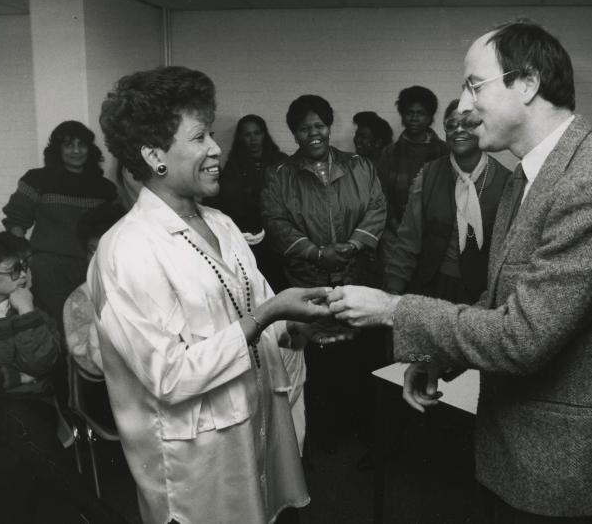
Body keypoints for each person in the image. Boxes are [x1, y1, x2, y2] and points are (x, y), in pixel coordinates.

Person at [328, 19, 592, 522]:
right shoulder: (529, 175)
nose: (463, 106)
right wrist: (439, 357)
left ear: (526, 83)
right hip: (512, 453)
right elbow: (504, 299)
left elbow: (523, 337)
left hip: (562, 471)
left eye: (473, 86)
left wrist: (393, 308)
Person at [95, 65, 332, 524]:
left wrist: (298, 325)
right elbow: (168, 376)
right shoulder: (127, 250)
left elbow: (259, 310)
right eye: (199, 136)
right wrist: (267, 315)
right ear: (154, 155)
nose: (216, 148)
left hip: (254, 437)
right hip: (196, 473)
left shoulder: (221, 224)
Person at [0, 231, 125, 524]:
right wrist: (15, 376)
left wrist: (26, 311)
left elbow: (42, 365)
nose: (24, 275)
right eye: (14, 270)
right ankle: (100, 514)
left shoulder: (35, 315)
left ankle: (100, 516)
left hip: (33, 415)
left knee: (15, 454)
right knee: (13, 422)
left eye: (24, 267)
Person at [261, 94, 386, 452]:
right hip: (307, 282)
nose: (313, 133)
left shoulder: (360, 166)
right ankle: (321, 438)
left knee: (358, 357)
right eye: (304, 128)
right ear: (294, 133)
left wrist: (352, 246)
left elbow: (377, 208)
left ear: (329, 127)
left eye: (319, 125)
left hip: (355, 275)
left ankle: (361, 434)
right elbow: (275, 221)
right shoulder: (280, 175)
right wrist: (316, 253)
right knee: (316, 361)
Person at [384, 98, 510, 303]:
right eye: (451, 125)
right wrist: (393, 292)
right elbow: (408, 240)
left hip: (481, 295)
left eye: (468, 124)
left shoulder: (506, 182)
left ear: (483, 127)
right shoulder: (428, 174)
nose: (458, 129)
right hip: (429, 287)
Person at [1, 120, 118, 329]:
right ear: (57, 149)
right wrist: (23, 262)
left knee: (90, 327)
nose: (76, 151)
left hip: (91, 269)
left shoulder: (105, 187)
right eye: (68, 145)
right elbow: (16, 222)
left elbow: (113, 230)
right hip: (47, 270)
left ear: (90, 149)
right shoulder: (37, 179)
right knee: (54, 326)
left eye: (81, 145)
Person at [206, 114, 289, 291]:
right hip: (250, 237)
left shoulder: (281, 161)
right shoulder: (234, 165)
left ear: (264, 134)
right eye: (247, 134)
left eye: (257, 133)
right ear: (240, 138)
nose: (253, 139)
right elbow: (229, 203)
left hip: (279, 234)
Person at [63, 202, 125, 427]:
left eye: (107, 250)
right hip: (106, 393)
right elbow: (89, 366)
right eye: (92, 251)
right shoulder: (78, 299)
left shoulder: (146, 288)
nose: (99, 259)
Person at [376, 86, 449, 277]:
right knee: (394, 285)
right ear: (402, 115)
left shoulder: (444, 152)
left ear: (430, 117)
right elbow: (381, 195)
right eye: (409, 113)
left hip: (435, 237)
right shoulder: (389, 153)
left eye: (421, 113)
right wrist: (396, 227)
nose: (414, 118)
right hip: (394, 235)